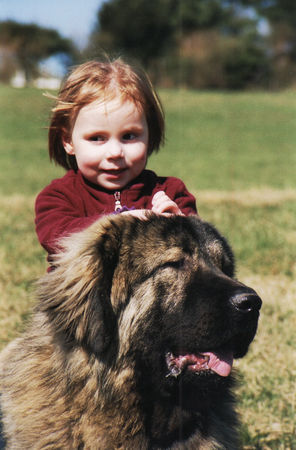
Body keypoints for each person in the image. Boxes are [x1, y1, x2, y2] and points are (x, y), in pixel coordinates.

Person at [35, 58, 197, 265]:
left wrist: (178, 223)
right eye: (97, 138)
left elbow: (200, 244)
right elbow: (57, 238)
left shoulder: (170, 191)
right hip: (84, 296)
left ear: (149, 136)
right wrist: (119, 224)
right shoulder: (58, 197)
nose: (115, 152)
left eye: (129, 136)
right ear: (68, 141)